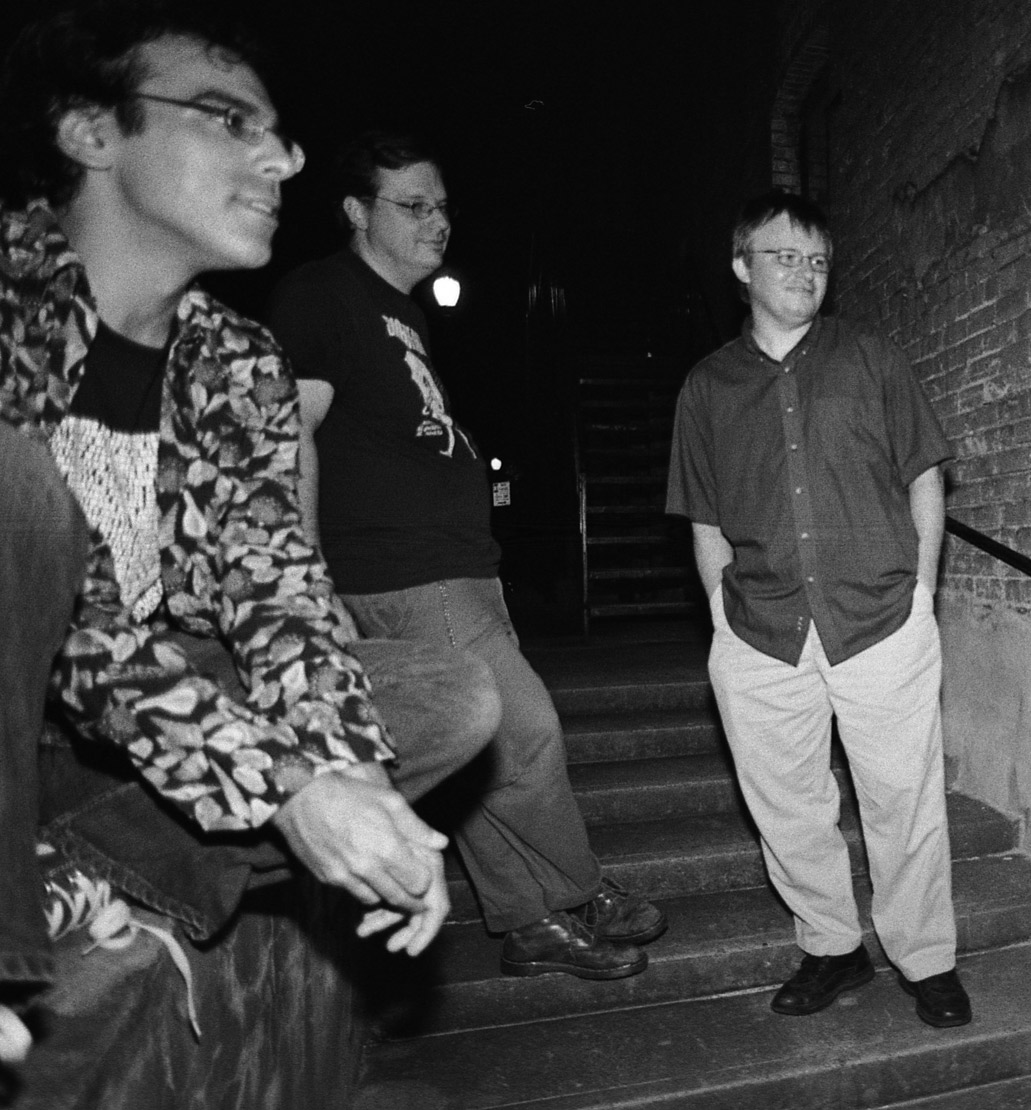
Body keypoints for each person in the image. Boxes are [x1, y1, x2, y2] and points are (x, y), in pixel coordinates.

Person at [0, 0, 504, 1074]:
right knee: (19, 501)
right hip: (29, 685)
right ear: (92, 130)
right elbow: (74, 621)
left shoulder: (237, 359)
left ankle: (78, 859)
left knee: (451, 696)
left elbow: (277, 593)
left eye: (278, 132)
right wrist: (287, 789)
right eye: (229, 120)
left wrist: (360, 791)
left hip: (126, 725)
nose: (280, 159)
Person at [266, 131, 664, 981]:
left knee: (484, 749)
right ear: (356, 212)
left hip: (458, 569)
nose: (437, 221)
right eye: (413, 206)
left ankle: (528, 920)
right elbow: (289, 432)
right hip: (409, 573)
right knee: (528, 733)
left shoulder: (401, 312)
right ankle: (579, 891)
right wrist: (305, 577)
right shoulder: (323, 295)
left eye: (442, 205)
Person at [665, 191, 969, 1028]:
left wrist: (922, 595)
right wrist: (722, 619)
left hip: (880, 619)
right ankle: (832, 947)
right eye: (784, 256)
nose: (804, 272)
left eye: (817, 261)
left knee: (904, 802)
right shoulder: (708, 386)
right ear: (742, 267)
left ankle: (926, 959)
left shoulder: (873, 359)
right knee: (788, 807)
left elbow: (924, 479)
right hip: (760, 629)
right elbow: (704, 517)